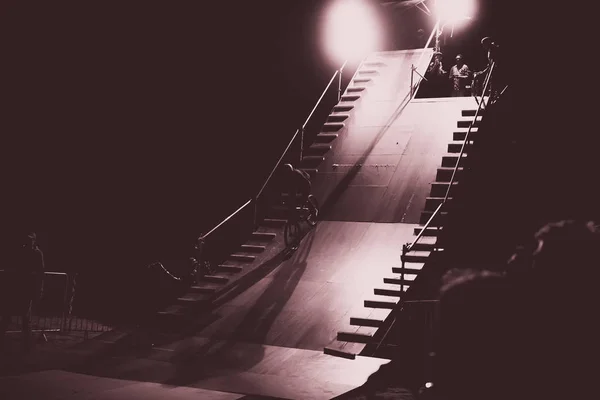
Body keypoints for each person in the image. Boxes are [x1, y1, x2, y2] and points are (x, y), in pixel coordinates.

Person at [0, 232, 45, 352]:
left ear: (34, 240)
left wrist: (38, 289)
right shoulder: (21, 252)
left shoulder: (37, 254)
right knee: (7, 315)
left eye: (30, 240)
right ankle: (6, 340)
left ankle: (26, 344)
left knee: (24, 317)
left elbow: (40, 273)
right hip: (16, 288)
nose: (28, 242)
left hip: (27, 289)